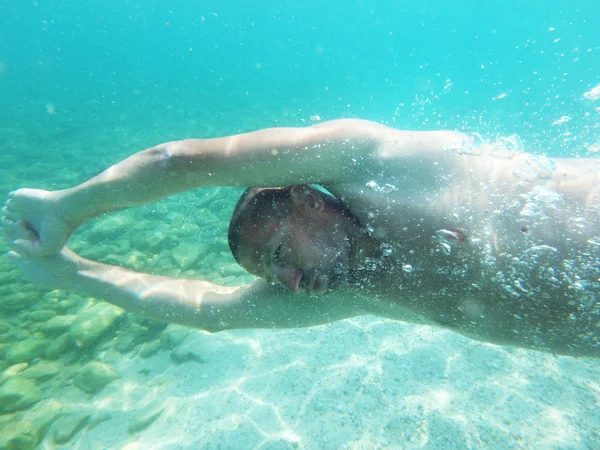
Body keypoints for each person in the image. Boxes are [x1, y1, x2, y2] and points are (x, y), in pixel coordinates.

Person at [3, 119, 599, 357]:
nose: (291, 283)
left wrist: (67, 207)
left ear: (309, 200)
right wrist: (70, 274)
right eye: (273, 276)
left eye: (281, 254)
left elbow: (180, 159)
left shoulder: (380, 161)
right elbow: (210, 310)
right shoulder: (350, 289)